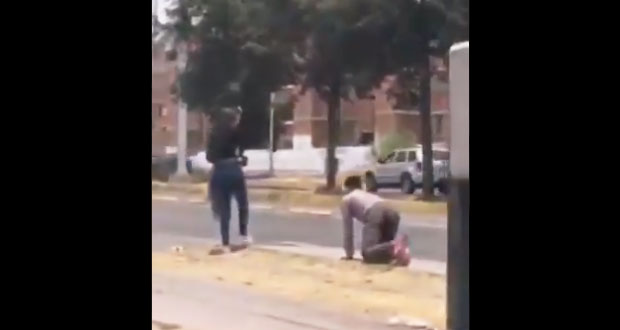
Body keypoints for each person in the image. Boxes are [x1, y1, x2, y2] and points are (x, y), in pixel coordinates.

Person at [206, 106, 251, 250]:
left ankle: (225, 241)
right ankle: (243, 235)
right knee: (242, 204)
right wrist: (240, 159)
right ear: (232, 120)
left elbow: (209, 157)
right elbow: (241, 154)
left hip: (219, 171)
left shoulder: (213, 134)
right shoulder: (235, 132)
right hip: (234, 170)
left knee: (224, 208)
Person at [340, 176, 410, 266]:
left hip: (375, 212)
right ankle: (399, 252)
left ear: (347, 188)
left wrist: (349, 254)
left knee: (367, 252)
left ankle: (394, 246)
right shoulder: (367, 195)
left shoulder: (346, 199)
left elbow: (348, 228)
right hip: (392, 211)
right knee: (380, 252)